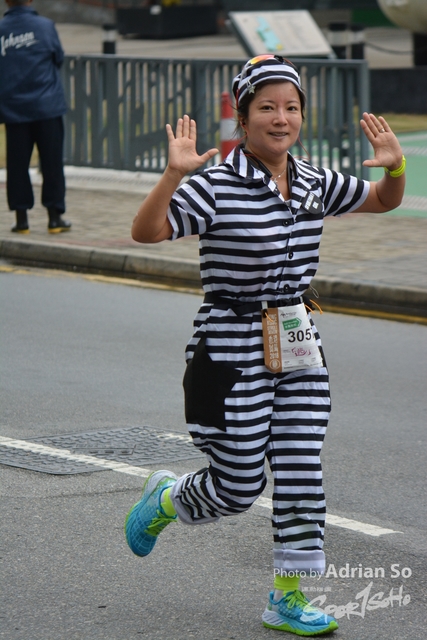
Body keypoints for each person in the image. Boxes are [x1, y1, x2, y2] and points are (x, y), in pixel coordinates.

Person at [124, 55, 405, 636]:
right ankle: (168, 499)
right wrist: (173, 175)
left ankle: (288, 596)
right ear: (244, 117)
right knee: (237, 486)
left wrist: (396, 167)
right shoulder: (215, 185)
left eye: (292, 107)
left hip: (297, 340)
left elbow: (383, 199)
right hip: (228, 346)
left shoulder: (314, 181)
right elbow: (147, 231)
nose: (282, 119)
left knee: (302, 469)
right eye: (268, 108)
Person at [0, 0, 71, 234]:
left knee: (17, 165)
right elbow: (58, 58)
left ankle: (21, 220)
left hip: (14, 109)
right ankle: (55, 218)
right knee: (52, 162)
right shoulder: (45, 26)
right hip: (47, 105)